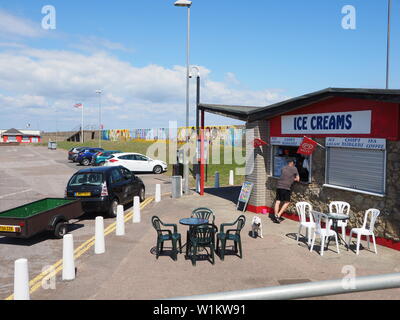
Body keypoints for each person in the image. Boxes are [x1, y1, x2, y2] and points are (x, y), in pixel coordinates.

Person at [273, 159, 300, 224]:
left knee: (278, 201)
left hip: (279, 186)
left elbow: (284, 176)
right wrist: (293, 178)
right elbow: (298, 179)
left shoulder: (283, 167)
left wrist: (291, 178)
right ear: (293, 163)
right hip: (286, 187)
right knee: (287, 202)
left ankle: (275, 215)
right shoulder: (294, 168)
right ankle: (278, 215)